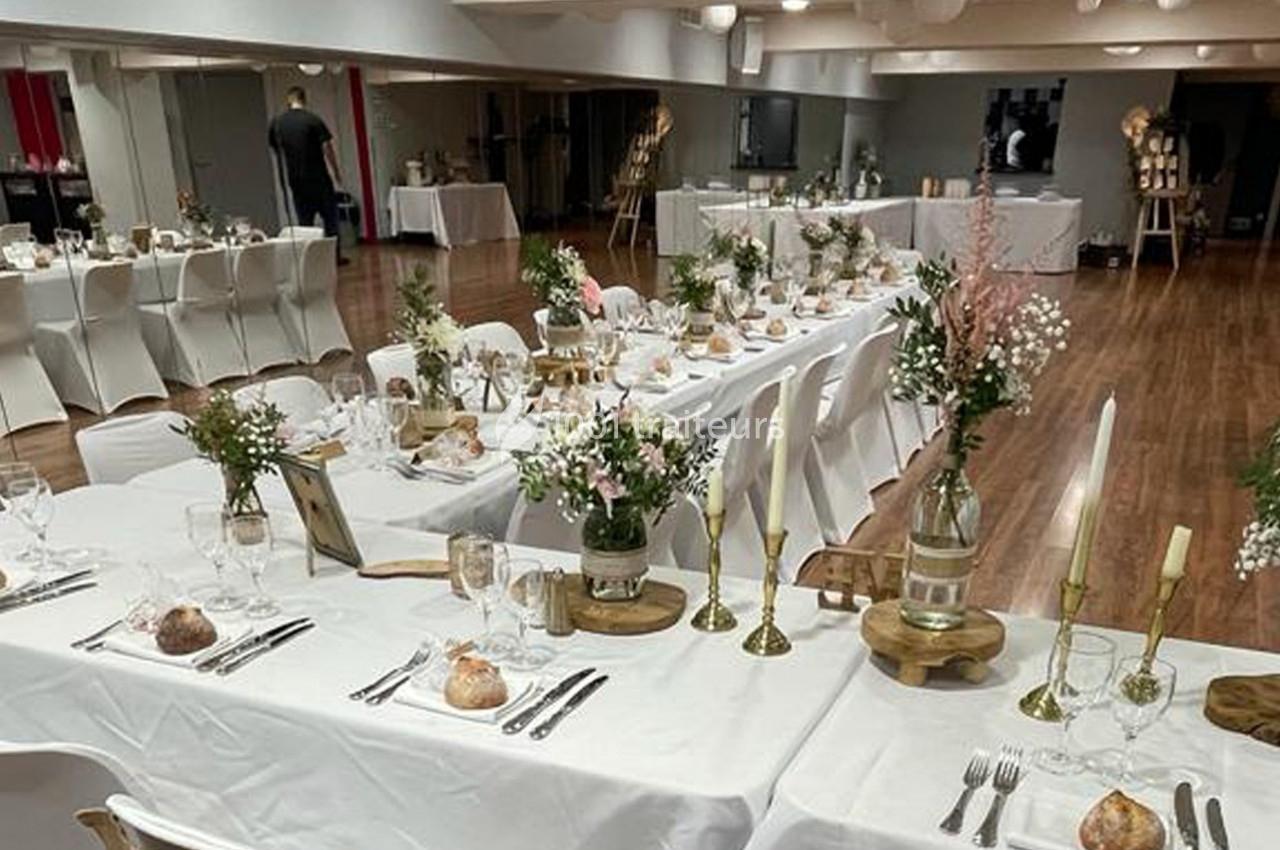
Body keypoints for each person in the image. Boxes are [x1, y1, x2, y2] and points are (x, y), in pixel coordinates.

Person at [268, 86, 347, 263]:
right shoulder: (313, 120)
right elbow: (327, 148)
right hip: (318, 178)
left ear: (288, 101)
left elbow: (276, 149)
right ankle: (334, 257)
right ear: (304, 99)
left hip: (296, 180)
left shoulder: (277, 123)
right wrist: (336, 172)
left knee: (305, 222)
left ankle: (308, 259)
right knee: (330, 220)